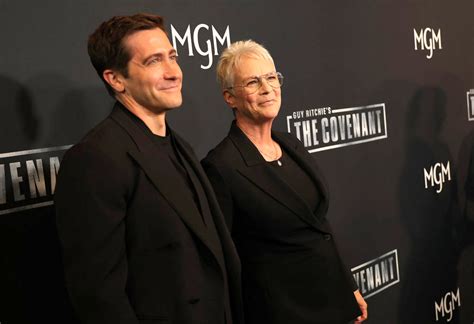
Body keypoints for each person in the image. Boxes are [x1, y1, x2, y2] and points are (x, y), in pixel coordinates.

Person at [54, 13, 243, 324]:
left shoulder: (178, 144)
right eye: (154, 61)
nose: (173, 72)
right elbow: (99, 295)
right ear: (115, 78)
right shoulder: (95, 158)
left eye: (172, 57)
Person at [201, 40, 368, 324]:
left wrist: (347, 286)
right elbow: (224, 261)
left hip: (332, 299)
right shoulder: (222, 166)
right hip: (283, 311)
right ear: (230, 97)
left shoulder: (290, 144)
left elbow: (319, 227)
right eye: (253, 82)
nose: (267, 88)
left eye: (271, 78)